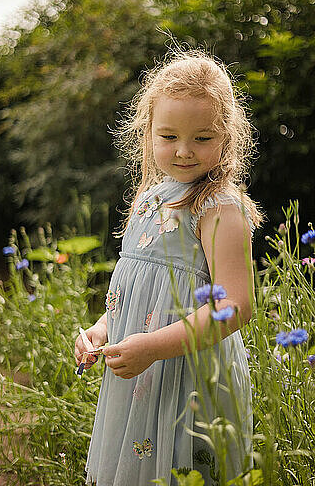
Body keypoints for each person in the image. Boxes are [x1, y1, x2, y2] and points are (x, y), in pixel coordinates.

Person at [74, 48, 266, 486]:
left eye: (202, 137)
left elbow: (235, 305)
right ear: (147, 134)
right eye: (168, 136)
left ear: (227, 137)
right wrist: (104, 329)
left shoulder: (219, 208)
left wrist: (155, 347)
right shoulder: (149, 198)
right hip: (142, 373)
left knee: (181, 471)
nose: (183, 151)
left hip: (188, 378)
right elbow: (137, 294)